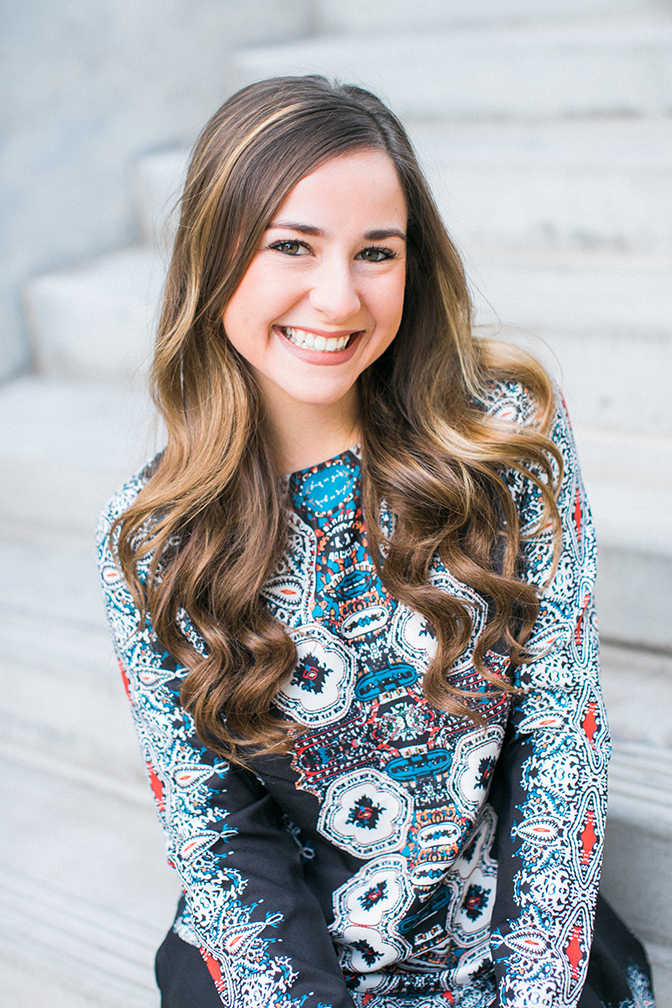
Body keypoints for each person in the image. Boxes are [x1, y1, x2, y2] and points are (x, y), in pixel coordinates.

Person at [97, 76, 655, 1008]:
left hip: (510, 935)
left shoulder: (507, 443)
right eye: (291, 246)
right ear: (213, 256)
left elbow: (563, 743)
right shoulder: (155, 540)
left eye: (376, 253)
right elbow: (220, 837)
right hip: (291, 962)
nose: (337, 296)